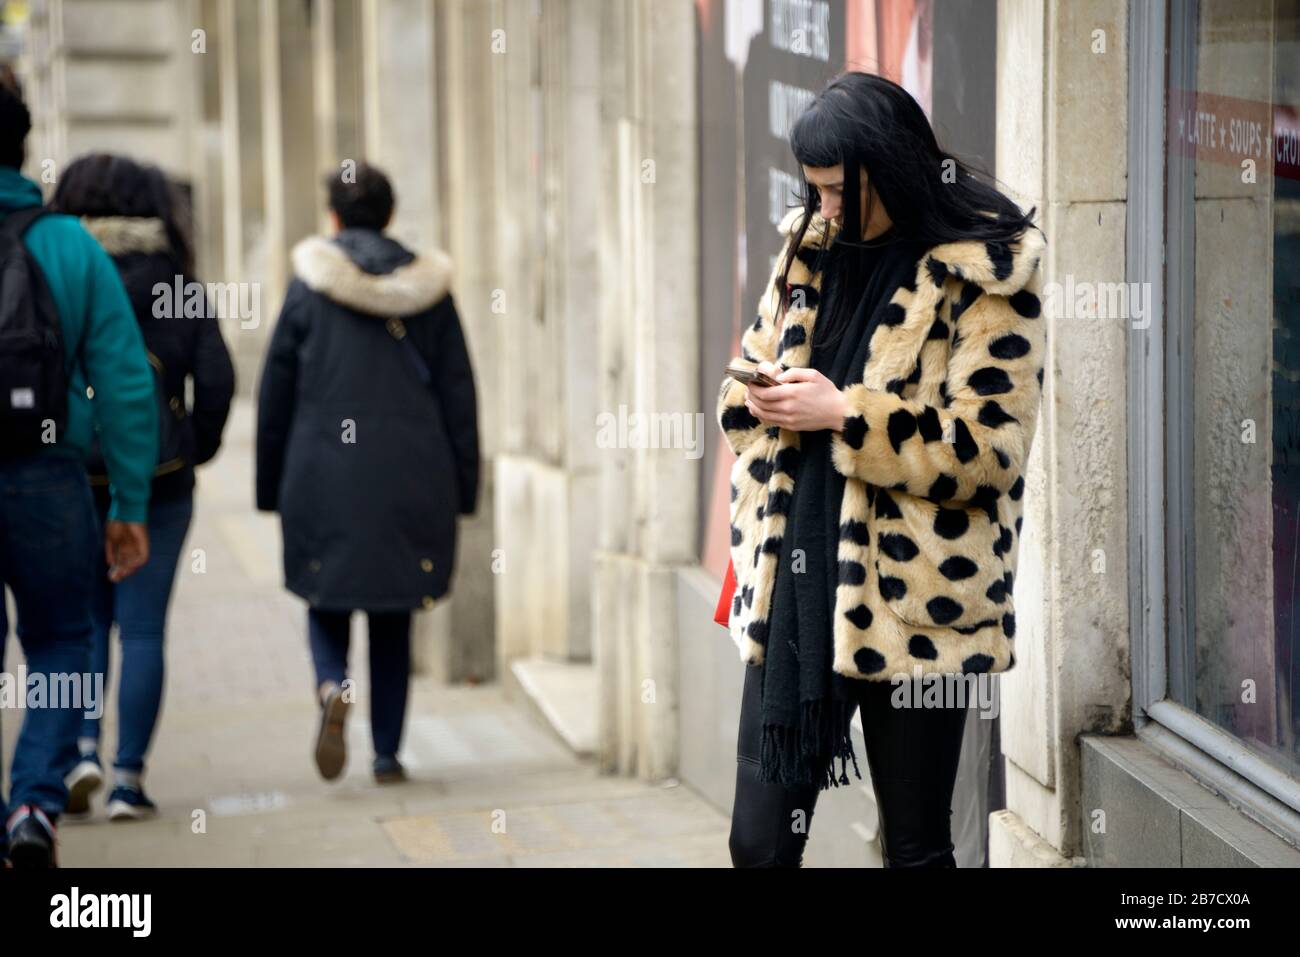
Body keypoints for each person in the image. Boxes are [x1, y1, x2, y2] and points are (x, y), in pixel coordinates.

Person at [718, 72, 1046, 868]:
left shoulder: (987, 271)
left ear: (888, 171)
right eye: (815, 187)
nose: (824, 204)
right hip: (793, 586)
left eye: (837, 188)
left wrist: (846, 415)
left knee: (917, 845)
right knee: (758, 843)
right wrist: (758, 400)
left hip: (918, 604)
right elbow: (746, 376)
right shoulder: (811, 246)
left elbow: (992, 451)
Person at [255, 162, 479, 785]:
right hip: (411, 473)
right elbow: (460, 395)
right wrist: (463, 488)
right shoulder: (430, 291)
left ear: (333, 218)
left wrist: (270, 485)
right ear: (388, 216)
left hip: (320, 468)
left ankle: (331, 683)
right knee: (392, 610)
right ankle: (386, 754)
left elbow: (275, 390)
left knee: (325, 594)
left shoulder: (307, 288)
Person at [48, 153, 236, 822]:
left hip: (69, 473)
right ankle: (129, 779)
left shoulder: (57, 270)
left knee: (86, 623)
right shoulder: (175, 280)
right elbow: (216, 378)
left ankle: (80, 751)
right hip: (161, 482)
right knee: (145, 628)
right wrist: (192, 450)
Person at [0, 83, 158, 867]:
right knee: (63, 638)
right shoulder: (68, 245)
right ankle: (32, 799)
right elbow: (127, 382)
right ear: (23, 146)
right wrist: (130, 501)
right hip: (48, 474)